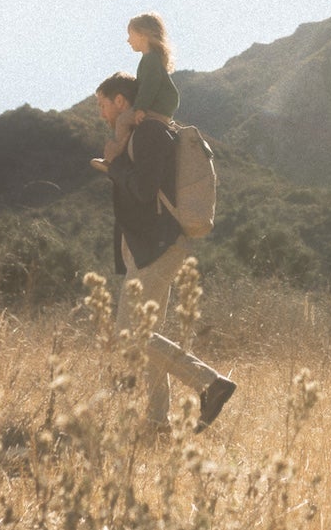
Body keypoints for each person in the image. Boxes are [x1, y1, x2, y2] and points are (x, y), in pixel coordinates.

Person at [95, 71, 234, 431]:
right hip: (146, 246)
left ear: (121, 102)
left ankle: (210, 383)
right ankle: (157, 425)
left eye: (103, 104)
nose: (101, 113)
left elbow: (143, 190)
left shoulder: (150, 134)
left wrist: (114, 169)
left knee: (130, 329)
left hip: (160, 244)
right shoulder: (136, 137)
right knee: (148, 337)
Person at [91, 12, 181, 173]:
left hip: (156, 109)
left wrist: (141, 108)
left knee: (122, 121)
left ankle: (117, 153)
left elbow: (149, 86)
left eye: (130, 34)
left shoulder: (150, 59)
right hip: (160, 109)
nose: (128, 40)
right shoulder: (151, 59)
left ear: (142, 35)